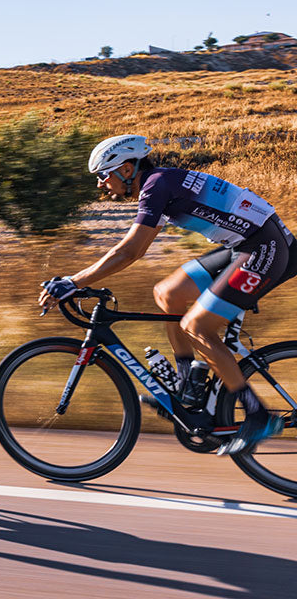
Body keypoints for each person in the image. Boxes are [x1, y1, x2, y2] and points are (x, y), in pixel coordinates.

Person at [39, 134, 294, 454]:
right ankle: (187, 382)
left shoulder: (156, 185)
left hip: (262, 249)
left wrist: (73, 282)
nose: (102, 185)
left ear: (128, 169)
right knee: (168, 293)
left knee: (197, 327)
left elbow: (131, 251)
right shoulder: (161, 181)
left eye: (104, 176)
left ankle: (257, 415)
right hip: (250, 244)